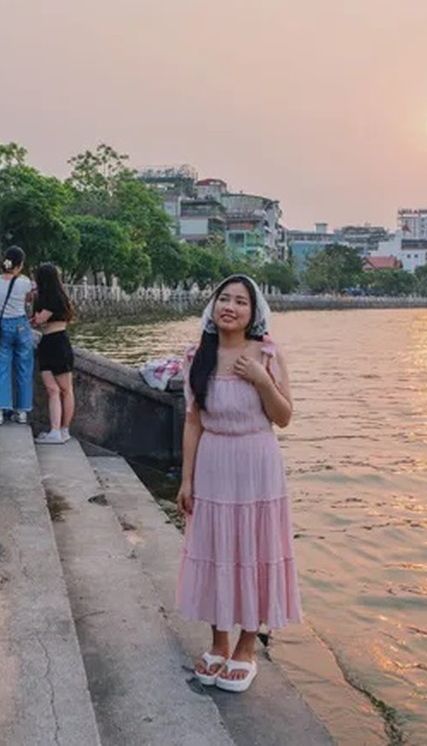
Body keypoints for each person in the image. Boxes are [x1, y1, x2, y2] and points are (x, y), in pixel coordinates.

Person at [176, 274, 300, 694]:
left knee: (254, 549)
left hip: (256, 462)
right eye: (223, 299)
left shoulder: (266, 354)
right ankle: (218, 642)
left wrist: (262, 380)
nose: (230, 307)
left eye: (240, 302)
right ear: (212, 308)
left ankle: (248, 646)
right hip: (213, 460)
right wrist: (187, 478)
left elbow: (283, 417)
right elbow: (192, 421)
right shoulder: (198, 356)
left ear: (254, 312)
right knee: (215, 548)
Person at [0, 246, 34, 426]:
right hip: (21, 325)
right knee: (24, 368)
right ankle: (22, 412)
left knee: (1, 367)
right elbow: (29, 300)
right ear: (20, 264)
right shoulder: (25, 282)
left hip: (3, 325)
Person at [31, 263, 75, 444]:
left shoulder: (54, 297)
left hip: (57, 342)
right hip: (48, 342)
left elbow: (40, 319)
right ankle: (56, 430)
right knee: (53, 389)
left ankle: (62, 429)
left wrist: (35, 316)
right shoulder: (49, 296)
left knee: (65, 389)